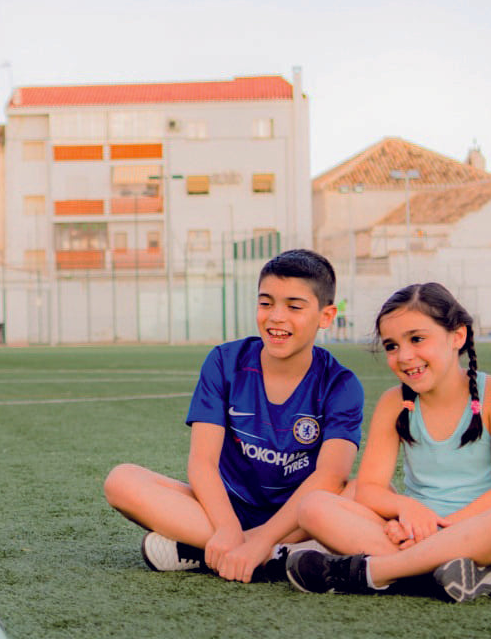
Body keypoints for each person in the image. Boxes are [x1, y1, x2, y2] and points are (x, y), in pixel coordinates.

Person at [104, 249, 365, 584]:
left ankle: (218, 552)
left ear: (326, 316)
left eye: (294, 306)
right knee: (122, 481)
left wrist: (263, 538)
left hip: (300, 518)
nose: (276, 317)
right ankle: (279, 559)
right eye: (266, 303)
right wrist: (228, 528)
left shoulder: (340, 383)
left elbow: (329, 478)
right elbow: (202, 463)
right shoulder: (225, 362)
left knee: (363, 492)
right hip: (223, 511)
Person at [288, 282, 491, 602]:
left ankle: (375, 572)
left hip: (488, 546)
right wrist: (405, 510)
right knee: (314, 506)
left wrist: (438, 531)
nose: (405, 356)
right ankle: (444, 575)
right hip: (412, 534)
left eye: (417, 339)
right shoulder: (394, 402)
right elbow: (369, 489)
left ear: (457, 336)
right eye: (392, 346)